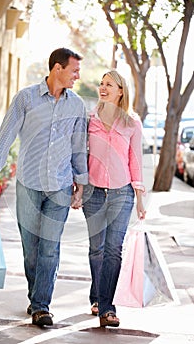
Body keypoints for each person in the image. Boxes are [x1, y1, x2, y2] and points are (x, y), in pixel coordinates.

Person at [0, 47, 88, 327]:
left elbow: (79, 147)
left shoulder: (76, 105)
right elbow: (6, 135)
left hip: (60, 186)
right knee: (31, 249)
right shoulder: (25, 98)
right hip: (29, 184)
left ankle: (42, 305)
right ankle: (35, 296)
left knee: (49, 248)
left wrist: (81, 184)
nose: (77, 76)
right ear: (57, 68)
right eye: (74, 70)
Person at [82, 70, 146, 327]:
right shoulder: (89, 120)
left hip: (122, 193)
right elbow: (80, 155)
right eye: (101, 83)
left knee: (113, 250)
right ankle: (97, 296)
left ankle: (107, 308)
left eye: (109, 84)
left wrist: (140, 198)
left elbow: (136, 161)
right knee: (97, 249)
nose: (103, 88)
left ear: (121, 91)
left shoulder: (132, 123)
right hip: (94, 192)